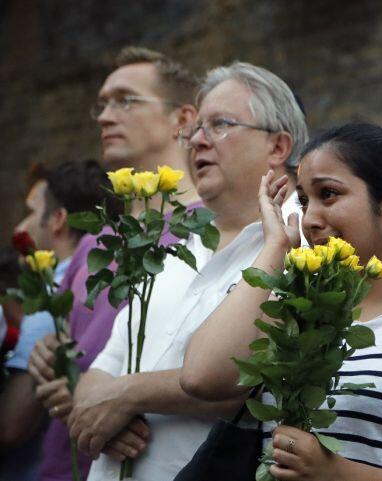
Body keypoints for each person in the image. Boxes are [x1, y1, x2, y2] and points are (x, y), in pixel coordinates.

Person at [182, 123, 382, 479]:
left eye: (329, 194)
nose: (309, 219)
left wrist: (337, 473)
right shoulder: (296, 314)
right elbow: (201, 377)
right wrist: (275, 246)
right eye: (305, 201)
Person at [67, 61, 308, 481]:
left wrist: (125, 397)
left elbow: (247, 379)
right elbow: (107, 362)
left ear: (278, 146)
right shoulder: (176, 249)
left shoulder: (302, 242)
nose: (197, 141)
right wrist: (96, 410)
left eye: (219, 125)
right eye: (195, 129)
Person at [27, 46, 200, 481]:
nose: (105, 116)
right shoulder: (95, 241)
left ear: (183, 119)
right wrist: (49, 362)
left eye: (125, 100)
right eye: (102, 104)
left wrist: (116, 406)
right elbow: (69, 358)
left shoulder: (212, 231)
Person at [0, 161, 117, 481]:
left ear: (58, 219)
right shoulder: (112, 284)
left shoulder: (51, 304)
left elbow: (11, 427)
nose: (19, 227)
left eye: (32, 211)